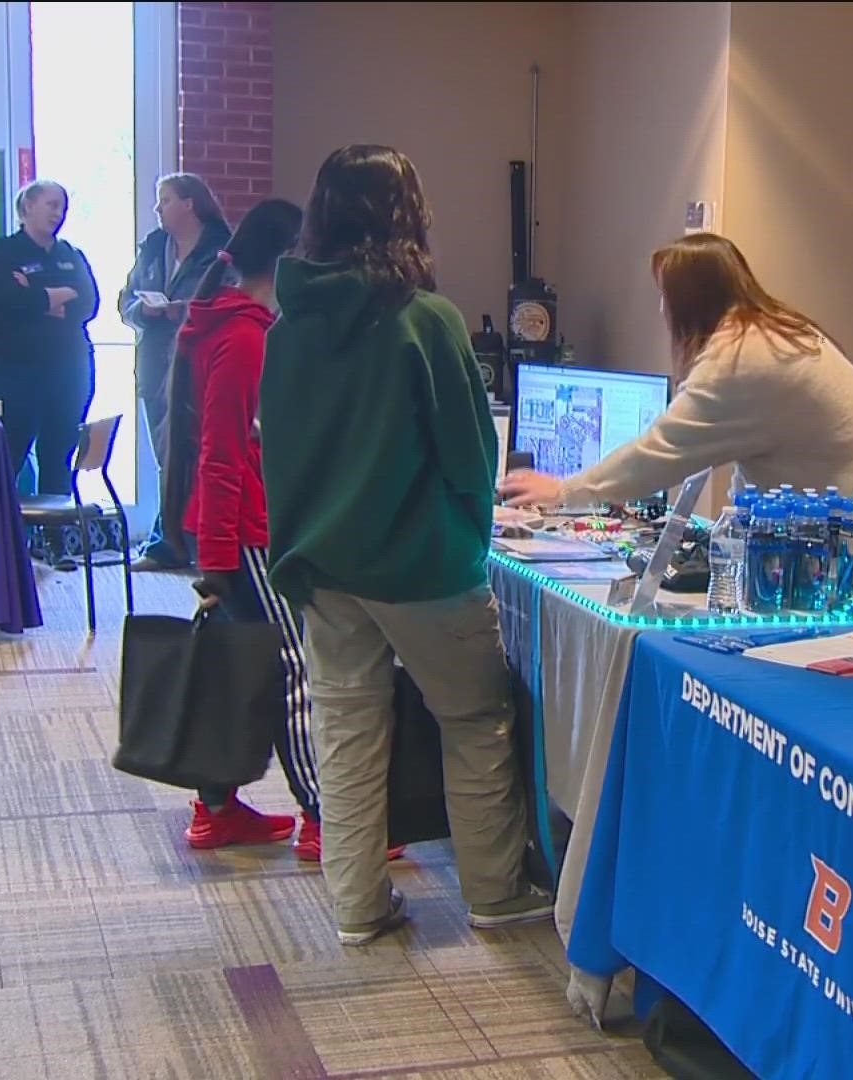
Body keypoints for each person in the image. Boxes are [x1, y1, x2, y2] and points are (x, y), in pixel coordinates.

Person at [259, 145, 553, 942]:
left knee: (348, 735)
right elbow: (470, 453)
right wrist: (472, 524)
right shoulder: (427, 321)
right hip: (423, 568)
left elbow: (277, 456)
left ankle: (358, 908)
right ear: (408, 215)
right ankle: (493, 895)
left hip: (323, 569)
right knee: (474, 719)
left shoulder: (285, 329)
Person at [159, 197, 407, 865]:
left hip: (240, 530)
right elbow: (221, 451)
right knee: (300, 668)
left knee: (239, 667)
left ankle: (217, 810)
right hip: (247, 534)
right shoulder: (243, 335)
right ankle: (327, 818)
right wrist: (215, 561)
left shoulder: (233, 325)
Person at [498, 232, 853, 592]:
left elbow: (661, 452)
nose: (660, 309)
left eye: (664, 296)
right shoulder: (772, 331)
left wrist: (563, 490)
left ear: (689, 302)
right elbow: (748, 459)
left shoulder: (742, 356)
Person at [120, 173, 230, 572]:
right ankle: (171, 540)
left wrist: (181, 309)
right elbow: (125, 300)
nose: (158, 208)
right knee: (165, 454)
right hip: (155, 360)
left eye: (165, 199)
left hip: (198, 360)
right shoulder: (153, 247)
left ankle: (185, 539)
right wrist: (143, 311)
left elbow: (229, 302)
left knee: (193, 451)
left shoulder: (221, 249)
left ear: (189, 204)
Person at [0, 180, 99, 500]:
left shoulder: (70, 254)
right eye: (51, 204)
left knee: (58, 457)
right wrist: (61, 295)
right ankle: (5, 541)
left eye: (62, 206)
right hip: (16, 373)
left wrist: (37, 294)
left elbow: (89, 303)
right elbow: (9, 302)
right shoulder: (4, 253)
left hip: (68, 371)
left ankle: (55, 541)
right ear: (27, 207)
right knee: (8, 457)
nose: (58, 213)